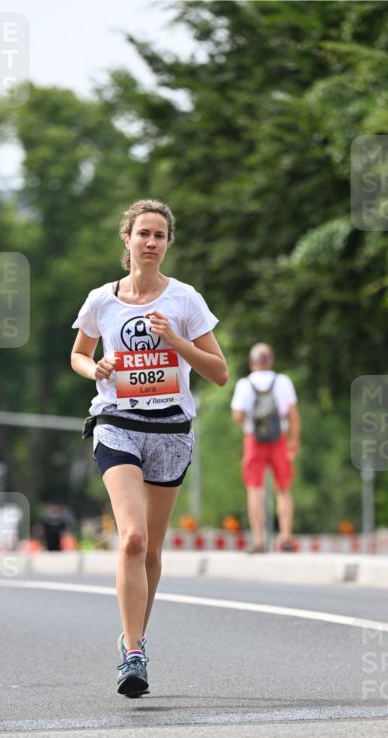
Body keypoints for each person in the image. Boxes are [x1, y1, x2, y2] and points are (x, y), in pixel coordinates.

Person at [71, 199, 228, 698]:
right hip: (117, 423)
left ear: (167, 243)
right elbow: (78, 353)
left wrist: (175, 341)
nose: (151, 243)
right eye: (144, 233)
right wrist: (92, 369)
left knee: (154, 548)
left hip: (170, 428)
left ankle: (132, 636)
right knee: (133, 539)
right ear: (127, 239)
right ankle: (135, 654)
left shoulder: (185, 300)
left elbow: (219, 373)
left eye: (160, 235)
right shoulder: (102, 300)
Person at [231, 343, 300, 553]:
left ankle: (259, 540)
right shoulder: (283, 381)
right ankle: (286, 537)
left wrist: (250, 427)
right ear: (271, 361)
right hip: (279, 438)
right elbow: (292, 413)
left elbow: (237, 415)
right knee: (284, 488)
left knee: (255, 489)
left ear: (252, 363)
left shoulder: (244, 384)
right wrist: (294, 440)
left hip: (254, 440)